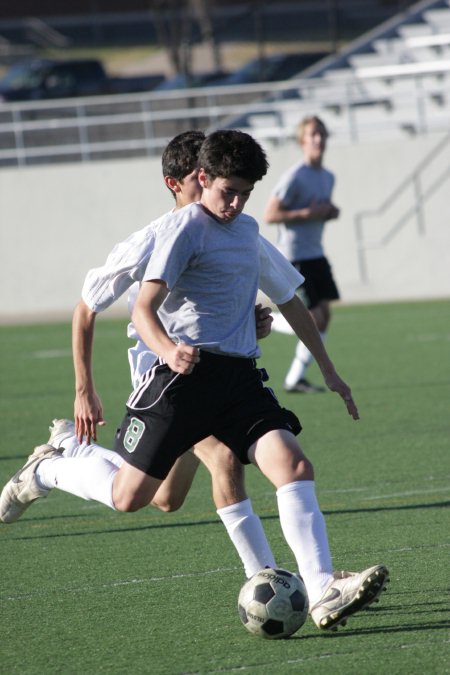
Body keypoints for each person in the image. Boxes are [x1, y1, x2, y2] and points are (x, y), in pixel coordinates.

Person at [0, 130, 389, 631]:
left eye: (244, 193)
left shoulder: (245, 229)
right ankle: (55, 464)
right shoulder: (172, 232)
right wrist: (131, 366)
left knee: (289, 464)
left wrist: (327, 368)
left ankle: (319, 591)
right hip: (175, 382)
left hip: (239, 380)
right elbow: (131, 309)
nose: (235, 202)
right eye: (227, 190)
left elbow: (288, 299)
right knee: (133, 496)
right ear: (192, 180)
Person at [264, 115, 341, 394]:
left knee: (325, 316)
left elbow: (320, 211)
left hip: (315, 254)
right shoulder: (294, 176)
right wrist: (306, 213)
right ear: (302, 141)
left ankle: (296, 378)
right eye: (312, 134)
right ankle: (267, 322)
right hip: (294, 255)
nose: (318, 139)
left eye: (321, 133)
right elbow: (271, 214)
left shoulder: (328, 177)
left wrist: (329, 212)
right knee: (314, 317)